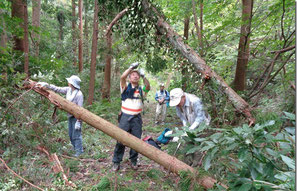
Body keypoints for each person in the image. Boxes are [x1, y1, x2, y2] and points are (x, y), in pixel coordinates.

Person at [112, 62, 150, 171]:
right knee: (120, 139)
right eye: (133, 74)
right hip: (125, 117)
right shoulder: (124, 87)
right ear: (129, 77)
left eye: (137, 75)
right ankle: (116, 161)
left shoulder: (141, 90)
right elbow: (122, 77)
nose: (135, 76)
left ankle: (133, 160)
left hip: (136, 118)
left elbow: (148, 86)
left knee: (136, 140)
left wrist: (144, 76)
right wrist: (131, 67)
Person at [37, 75, 84, 157]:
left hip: (76, 118)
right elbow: (58, 89)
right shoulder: (68, 90)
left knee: (76, 135)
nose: (68, 83)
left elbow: (80, 109)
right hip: (70, 116)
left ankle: (79, 152)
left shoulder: (79, 94)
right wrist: (48, 85)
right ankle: (75, 149)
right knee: (70, 134)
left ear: (73, 83)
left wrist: (78, 121)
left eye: (69, 81)